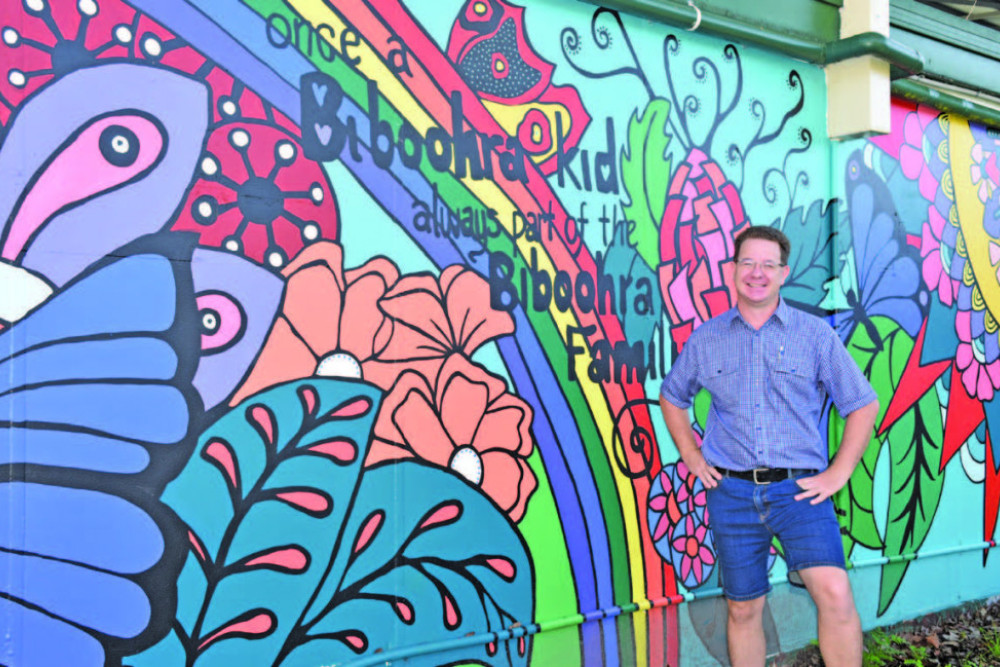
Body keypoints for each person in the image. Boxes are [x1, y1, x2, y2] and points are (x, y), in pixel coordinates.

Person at [659, 226, 879, 667]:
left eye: (768, 265)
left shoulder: (815, 336)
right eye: (747, 263)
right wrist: (691, 455)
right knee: (743, 607)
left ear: (784, 273)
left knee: (835, 595)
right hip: (733, 493)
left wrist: (838, 473)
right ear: (732, 270)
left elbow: (862, 404)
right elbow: (672, 395)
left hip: (800, 492)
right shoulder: (707, 338)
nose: (757, 273)